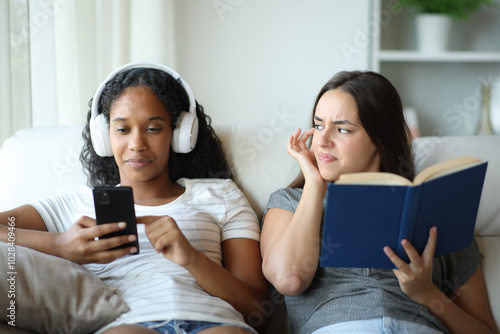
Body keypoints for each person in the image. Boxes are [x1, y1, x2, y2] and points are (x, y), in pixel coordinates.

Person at [0, 62, 269, 334]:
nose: (137, 144)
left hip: (216, 322)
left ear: (178, 135)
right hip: (129, 323)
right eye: (122, 129)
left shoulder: (221, 194)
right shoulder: (75, 205)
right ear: (103, 137)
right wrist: (59, 244)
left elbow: (258, 309)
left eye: (153, 128)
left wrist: (193, 258)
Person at [260, 71, 498, 334]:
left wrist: (428, 294)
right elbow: (289, 279)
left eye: (341, 129)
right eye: (318, 125)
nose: (322, 141)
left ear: (380, 139)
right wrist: (315, 185)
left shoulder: (434, 209)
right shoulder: (289, 203)